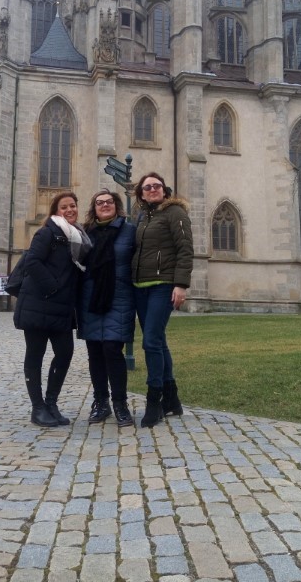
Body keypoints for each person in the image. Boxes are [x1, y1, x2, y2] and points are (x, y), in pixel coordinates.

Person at [13, 191, 92, 427]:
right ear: (56, 211)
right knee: (35, 354)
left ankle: (51, 404)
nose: (70, 210)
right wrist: (53, 287)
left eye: (73, 206)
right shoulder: (47, 232)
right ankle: (38, 408)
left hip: (62, 307)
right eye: (64, 207)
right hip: (39, 304)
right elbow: (32, 262)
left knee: (65, 352)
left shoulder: (78, 236)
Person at [132, 172, 194, 428]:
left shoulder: (175, 212)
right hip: (140, 287)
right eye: (147, 187)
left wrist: (181, 284)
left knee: (150, 342)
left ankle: (154, 400)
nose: (152, 189)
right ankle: (172, 400)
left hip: (163, 285)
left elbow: (185, 249)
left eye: (156, 185)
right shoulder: (142, 217)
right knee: (158, 341)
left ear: (165, 190)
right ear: (141, 194)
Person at [78, 190, 136, 427]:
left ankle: (120, 403)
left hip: (118, 297)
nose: (105, 205)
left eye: (109, 202)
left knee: (112, 349)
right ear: (94, 208)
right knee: (94, 351)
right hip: (90, 298)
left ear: (116, 205)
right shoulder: (85, 233)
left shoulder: (129, 231)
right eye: (99, 202)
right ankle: (100, 403)